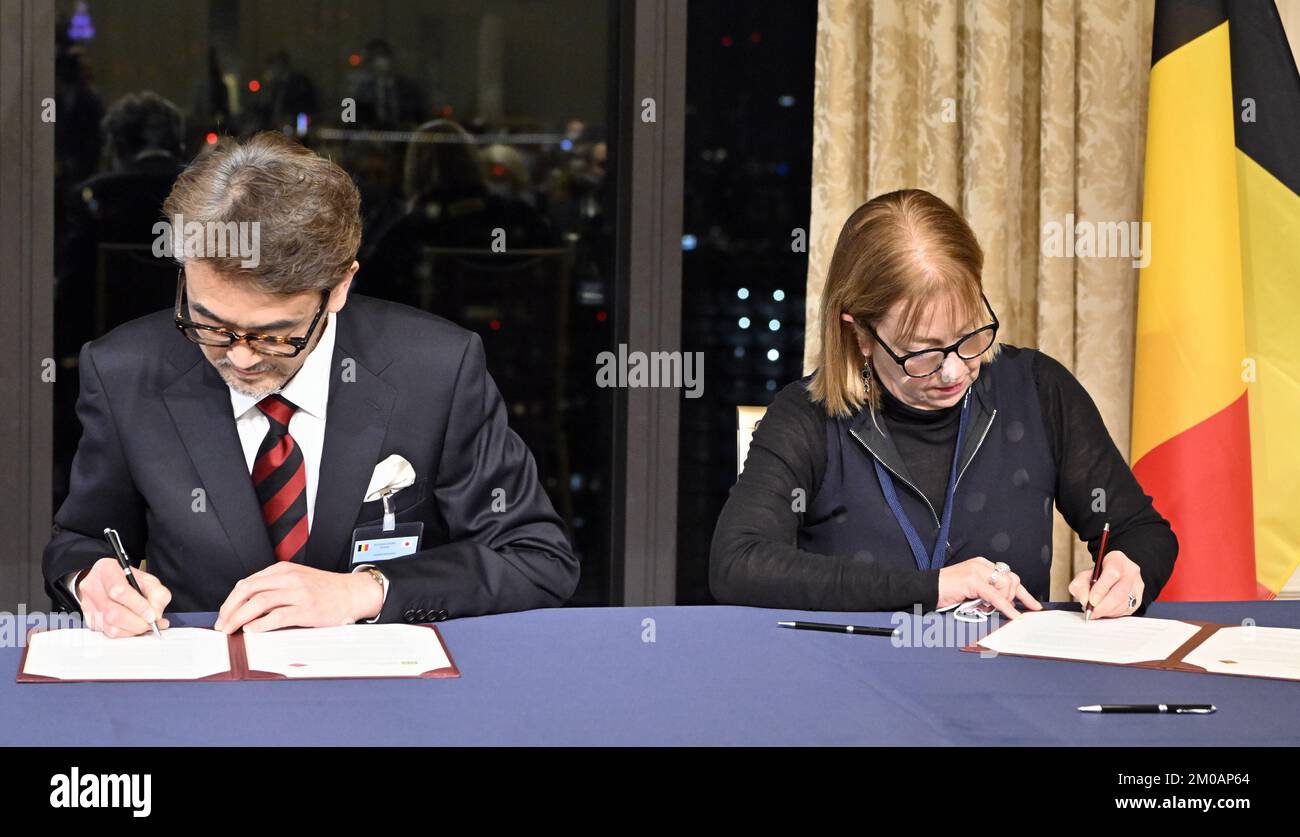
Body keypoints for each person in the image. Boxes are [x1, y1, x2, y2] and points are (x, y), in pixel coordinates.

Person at [43, 131, 579, 637]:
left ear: (340, 286)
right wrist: (93, 579)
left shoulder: (435, 370)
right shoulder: (124, 372)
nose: (240, 356)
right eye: (207, 322)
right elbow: (81, 540)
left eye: (276, 334)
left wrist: (364, 593)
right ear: (183, 272)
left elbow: (536, 557)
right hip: (205, 693)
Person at [710, 189, 1177, 620]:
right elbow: (738, 563)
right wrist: (932, 588)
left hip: (1007, 688)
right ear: (860, 334)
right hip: (858, 686)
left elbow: (1142, 531)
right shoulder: (807, 417)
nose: (953, 371)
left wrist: (1127, 574)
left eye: (968, 336)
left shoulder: (1037, 390)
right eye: (923, 352)